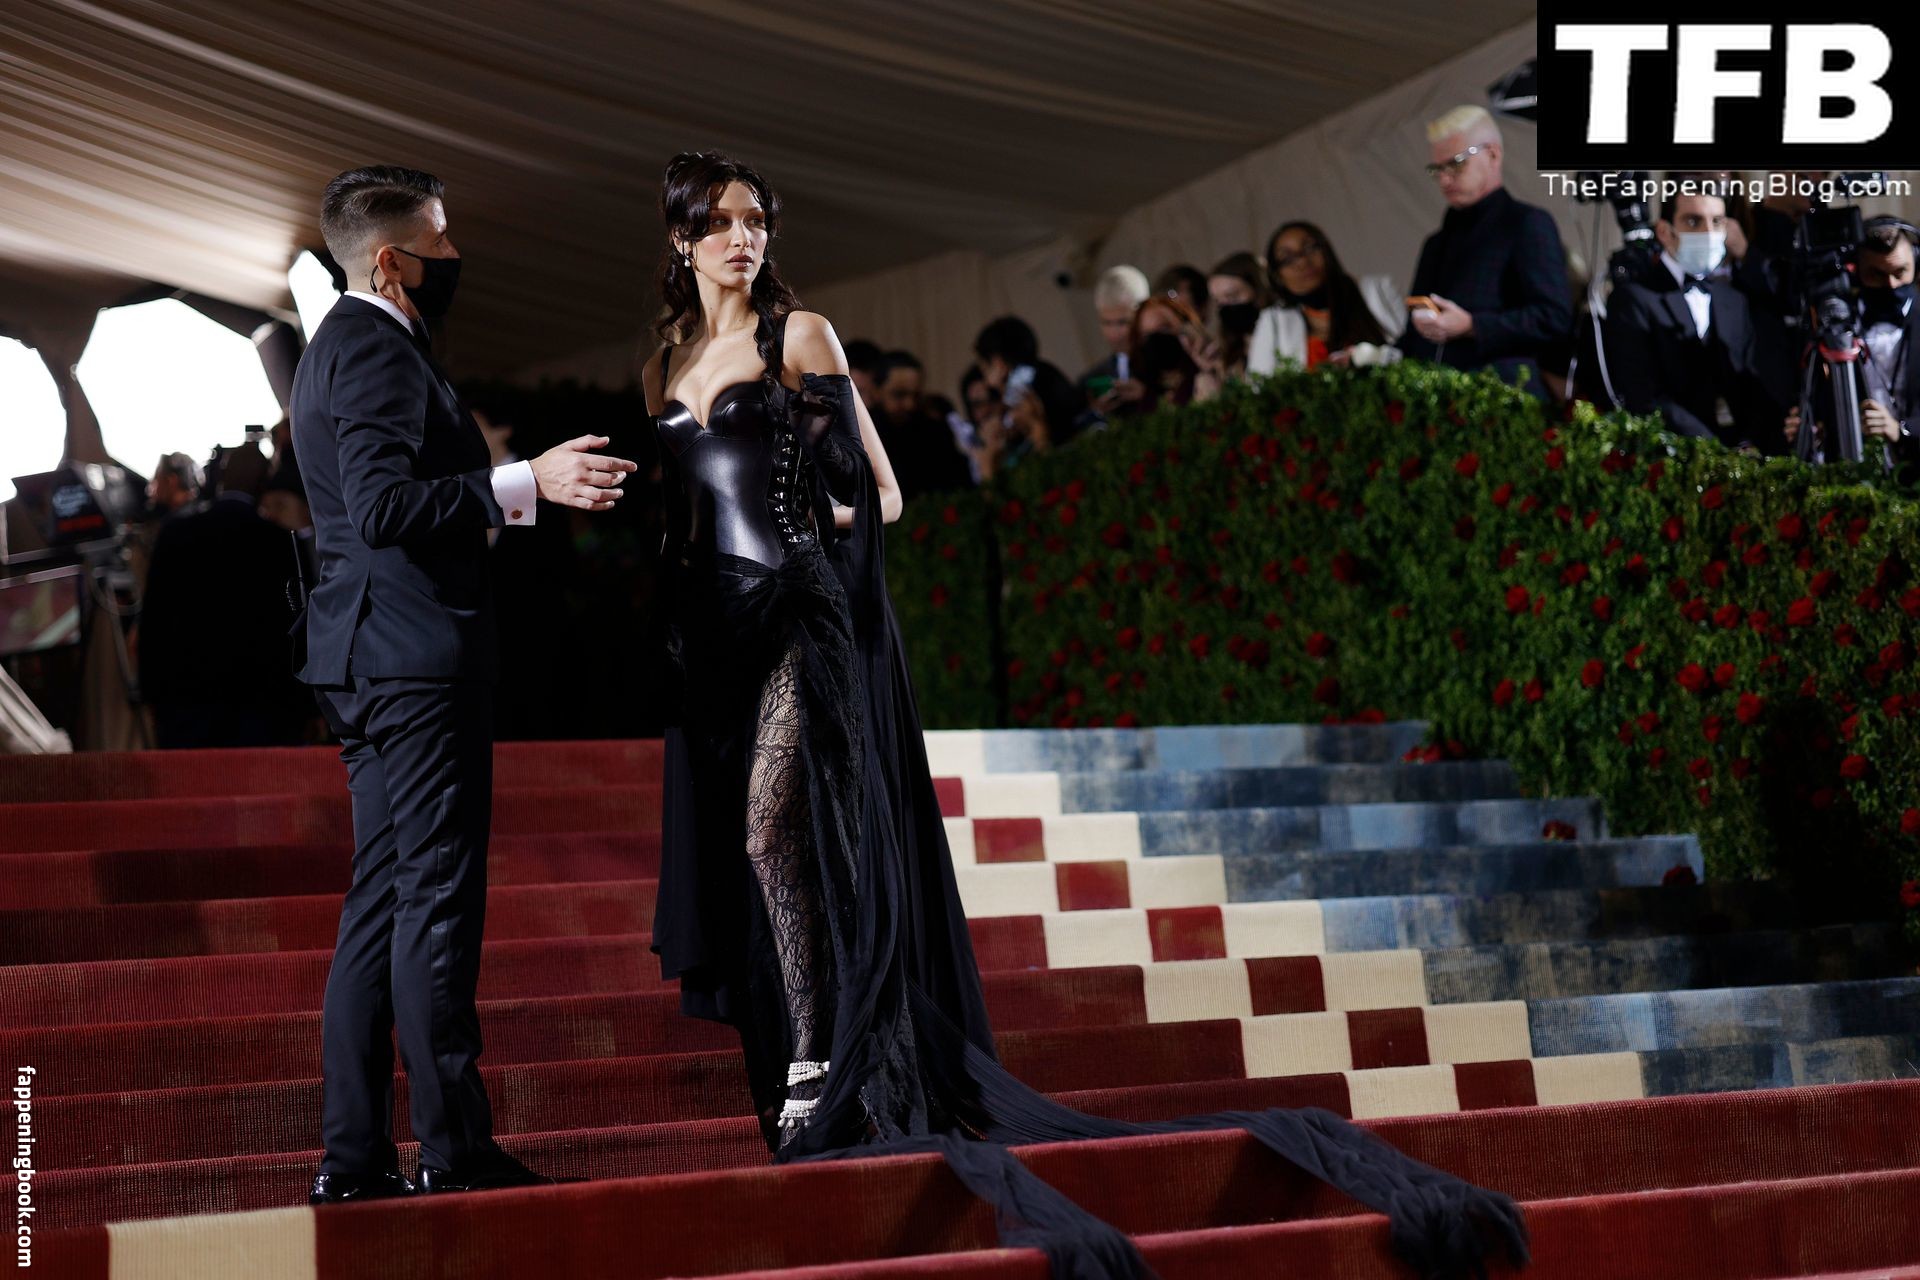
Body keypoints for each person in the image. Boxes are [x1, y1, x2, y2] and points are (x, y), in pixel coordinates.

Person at [641, 150, 1527, 1280]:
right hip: (712, 636)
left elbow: (887, 495)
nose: (742, 237)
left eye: (756, 218)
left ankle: (821, 1060)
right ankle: (795, 1052)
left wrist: (819, 498)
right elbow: (680, 515)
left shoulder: (799, 336)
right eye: (719, 222)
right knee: (753, 849)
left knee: (777, 830)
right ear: (681, 239)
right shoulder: (663, 362)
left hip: (800, 619)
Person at [291, 165, 636, 1205]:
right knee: (434, 900)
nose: (455, 256)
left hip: (368, 653)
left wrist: (505, 486)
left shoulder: (337, 346)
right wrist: (526, 478)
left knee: (383, 901)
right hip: (411, 658)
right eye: (439, 241)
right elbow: (383, 506)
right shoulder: (372, 346)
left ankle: (356, 1158)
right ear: (390, 262)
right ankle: (454, 1150)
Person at [137, 442, 311, 749]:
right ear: (263, 484)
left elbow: (153, 621)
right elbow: (295, 626)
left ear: (220, 478)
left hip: (185, 706)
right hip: (259, 709)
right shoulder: (278, 542)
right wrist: (304, 707)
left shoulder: (175, 533)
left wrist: (150, 694)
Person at [1601, 181, 1792, 453]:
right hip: (1673, 456)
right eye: (1693, 221)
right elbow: (1643, 395)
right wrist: (1714, 452)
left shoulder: (1733, 300)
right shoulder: (1634, 299)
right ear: (1665, 231)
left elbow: (1751, 385)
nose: (1708, 233)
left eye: (1717, 221)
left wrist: (1752, 442)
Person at [1397, 104, 1572, 400]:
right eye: (1437, 169)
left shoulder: (1526, 223)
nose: (1444, 179)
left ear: (1492, 154)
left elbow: (1553, 318)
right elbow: (1414, 334)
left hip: (1506, 400)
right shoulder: (1436, 244)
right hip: (1435, 402)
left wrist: (1473, 326)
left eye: (1456, 164)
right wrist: (1372, 357)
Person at [1789, 216, 1920, 472]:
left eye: (1900, 272)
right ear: (1856, 271)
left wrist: (1901, 430)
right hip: (1852, 472)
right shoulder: (1830, 327)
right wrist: (1812, 429)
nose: (1891, 284)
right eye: (1877, 275)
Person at [1249, 221, 1404, 374]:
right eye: (1287, 259)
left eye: (1309, 248)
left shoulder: (1377, 290)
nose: (1303, 261)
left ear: (1326, 250)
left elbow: (1410, 353)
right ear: (1278, 276)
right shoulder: (1274, 320)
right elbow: (1258, 384)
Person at [971, 314, 1088, 448]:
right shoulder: (1046, 372)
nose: (986, 382)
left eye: (985, 370)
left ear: (999, 364)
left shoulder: (1023, 394)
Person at [873, 350, 973, 500]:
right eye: (899, 395)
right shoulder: (862, 437)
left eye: (916, 395)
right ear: (876, 392)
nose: (910, 404)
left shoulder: (936, 433)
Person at [1078, 264, 1151, 419]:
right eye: (1106, 323)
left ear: (1144, 315)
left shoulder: (1172, 363)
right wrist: (1096, 413)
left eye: (1122, 322)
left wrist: (1148, 397)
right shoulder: (1090, 380)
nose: (1114, 334)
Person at [1130, 293, 1225, 407]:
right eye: (1146, 335)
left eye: (1164, 327)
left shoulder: (1210, 368)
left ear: (1187, 327)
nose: (1155, 339)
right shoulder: (1143, 385)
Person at [1206, 251, 1273, 380]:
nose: (1225, 306)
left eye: (1232, 296)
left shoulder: (1281, 334)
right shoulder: (1229, 349)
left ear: (1259, 290)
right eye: (1218, 301)